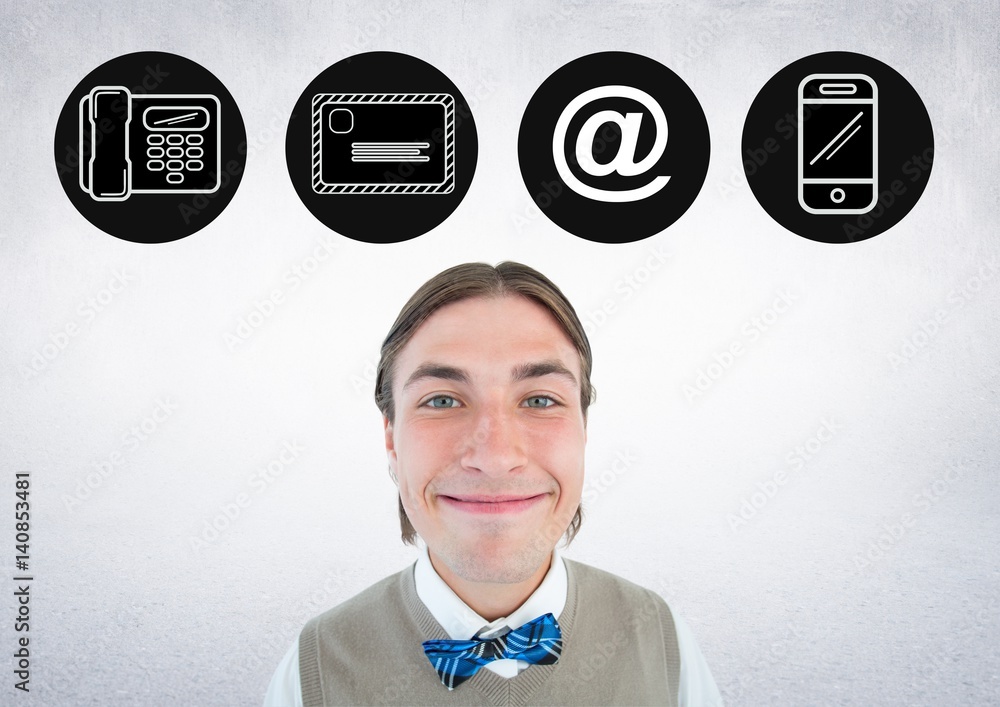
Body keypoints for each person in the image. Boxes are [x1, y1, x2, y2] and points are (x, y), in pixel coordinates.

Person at [264, 261, 722, 706]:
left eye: (540, 399)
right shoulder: (312, 672)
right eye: (442, 400)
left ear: (584, 429)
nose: (495, 457)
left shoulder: (662, 639)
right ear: (392, 439)